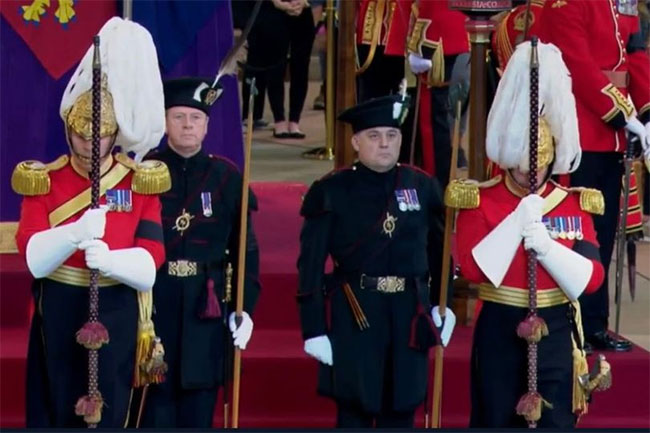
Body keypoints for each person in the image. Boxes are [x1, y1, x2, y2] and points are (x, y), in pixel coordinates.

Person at [12, 17, 168, 427]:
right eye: (81, 135)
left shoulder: (139, 182)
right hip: (62, 302)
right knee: (58, 401)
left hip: (116, 304)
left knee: (114, 406)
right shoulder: (42, 179)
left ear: (113, 133)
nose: (89, 143)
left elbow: (151, 261)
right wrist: (74, 234)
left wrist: (112, 260)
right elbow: (32, 257)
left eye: (97, 136)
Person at [453, 42, 606, 428]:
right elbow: (473, 270)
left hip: (556, 328)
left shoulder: (574, 202)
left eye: (540, 162)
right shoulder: (480, 198)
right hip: (500, 328)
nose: (532, 173)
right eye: (524, 163)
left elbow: (592, 279)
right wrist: (516, 223)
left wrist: (548, 249)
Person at [297, 93, 455, 428]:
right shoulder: (331, 190)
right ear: (356, 141)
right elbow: (309, 266)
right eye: (374, 136)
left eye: (392, 135)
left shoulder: (422, 185)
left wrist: (446, 304)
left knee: (402, 406)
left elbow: (441, 251)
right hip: (356, 312)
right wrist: (313, 329)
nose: (384, 144)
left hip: (408, 311)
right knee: (354, 407)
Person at [139, 77, 261, 428]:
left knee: (199, 405)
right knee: (155, 405)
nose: (187, 125)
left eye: (195, 118)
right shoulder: (145, 172)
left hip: (204, 308)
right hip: (156, 303)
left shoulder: (226, 177)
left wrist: (244, 307)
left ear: (207, 126)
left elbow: (245, 249)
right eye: (179, 117)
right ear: (165, 123)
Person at [540, 0, 650, 352]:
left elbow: (635, 55)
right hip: (579, 129)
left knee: (601, 233)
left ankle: (594, 322)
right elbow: (579, 65)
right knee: (573, 234)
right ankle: (569, 324)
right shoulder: (566, 3)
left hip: (612, 135)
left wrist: (644, 112)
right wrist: (620, 113)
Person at [406, 0, 470, 187]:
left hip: (438, 34)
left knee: (434, 121)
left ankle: (435, 187)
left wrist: (418, 42)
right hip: (464, 29)